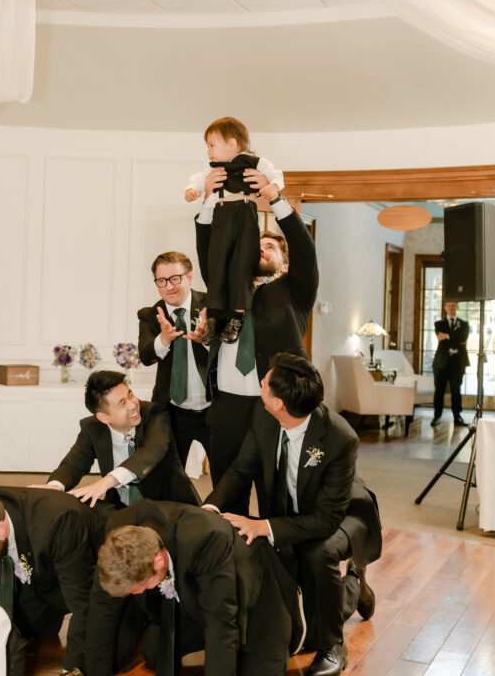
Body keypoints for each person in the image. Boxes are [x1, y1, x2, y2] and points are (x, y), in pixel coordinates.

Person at [204, 353, 382, 676]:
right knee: (293, 582)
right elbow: (242, 469)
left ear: (279, 405)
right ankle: (353, 587)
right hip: (291, 513)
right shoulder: (263, 414)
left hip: (341, 515)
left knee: (319, 554)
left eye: (265, 384)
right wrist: (210, 507)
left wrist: (264, 526)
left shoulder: (340, 438)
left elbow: (326, 521)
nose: (260, 384)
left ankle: (334, 646)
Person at [84, 500, 303, 676]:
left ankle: (326, 599)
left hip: (255, 597)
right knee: (155, 656)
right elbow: (101, 608)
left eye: (139, 587)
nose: (136, 594)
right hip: (196, 598)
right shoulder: (118, 536)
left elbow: (222, 625)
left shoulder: (208, 538)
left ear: (157, 561)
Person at [196, 173, 319, 510]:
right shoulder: (224, 290)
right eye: (256, 247)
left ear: (285, 261)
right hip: (227, 409)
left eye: (270, 247)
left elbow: (306, 249)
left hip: (273, 407)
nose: (261, 251)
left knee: (274, 495)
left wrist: (276, 200)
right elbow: (209, 254)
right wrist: (208, 201)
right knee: (226, 493)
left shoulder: (294, 290)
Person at [0, 486, 105, 672]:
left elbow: (83, 603)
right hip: (32, 585)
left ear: (0, 530)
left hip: (91, 583)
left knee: (100, 660)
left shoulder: (58, 521)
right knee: (5, 637)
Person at [185, 116, 285, 344]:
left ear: (231, 143)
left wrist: (272, 186)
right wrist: (192, 189)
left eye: (212, 144)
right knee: (217, 265)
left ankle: (236, 318)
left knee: (241, 266)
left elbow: (276, 174)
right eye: (207, 146)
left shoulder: (253, 162)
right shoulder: (210, 168)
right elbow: (198, 180)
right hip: (220, 214)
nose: (208, 150)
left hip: (245, 215)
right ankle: (214, 317)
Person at [47, 370, 201, 508]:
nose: (133, 405)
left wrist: (107, 482)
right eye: (122, 403)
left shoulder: (155, 414)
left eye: (131, 395)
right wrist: (55, 486)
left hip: (170, 507)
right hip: (121, 507)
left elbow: (151, 452)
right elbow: (74, 463)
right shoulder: (92, 428)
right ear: (103, 417)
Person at [137, 251, 210, 466]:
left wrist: (206, 340)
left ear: (189, 276)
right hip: (172, 411)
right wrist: (164, 339)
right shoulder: (150, 314)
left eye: (174, 279)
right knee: (170, 477)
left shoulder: (210, 304)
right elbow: (146, 356)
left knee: (226, 476)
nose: (169, 286)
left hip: (215, 408)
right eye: (161, 281)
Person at [432, 301, 470, 426]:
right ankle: (436, 416)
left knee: (456, 390)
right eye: (448, 305)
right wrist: (456, 339)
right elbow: (442, 338)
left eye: (453, 305)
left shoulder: (464, 324)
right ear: (445, 307)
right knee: (439, 390)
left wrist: (447, 336)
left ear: (457, 307)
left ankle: (457, 416)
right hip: (441, 362)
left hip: (458, 362)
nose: (451, 307)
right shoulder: (439, 323)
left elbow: (463, 338)